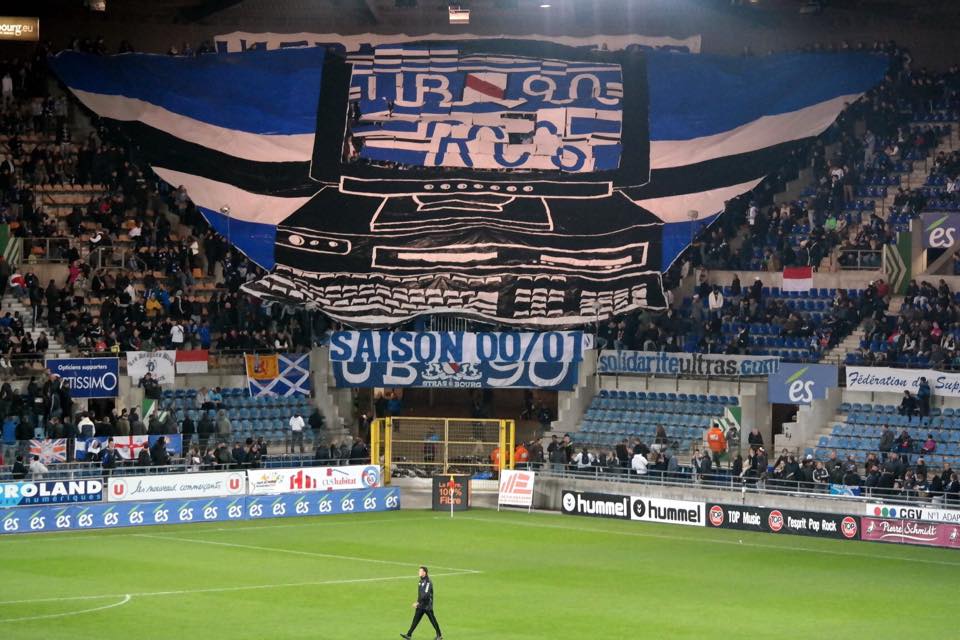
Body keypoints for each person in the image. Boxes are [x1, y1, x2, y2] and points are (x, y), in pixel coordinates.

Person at [401, 566, 442, 640]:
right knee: (415, 620)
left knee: (433, 620)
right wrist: (418, 602)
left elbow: (426, 595)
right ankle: (409, 635)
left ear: (424, 573)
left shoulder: (428, 582)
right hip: (421, 605)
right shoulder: (420, 581)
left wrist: (418, 603)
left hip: (427, 606)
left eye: (420, 571)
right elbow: (420, 595)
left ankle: (439, 635)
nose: (419, 572)